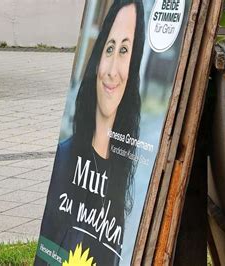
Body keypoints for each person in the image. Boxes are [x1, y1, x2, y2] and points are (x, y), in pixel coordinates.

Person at [36, 0, 145, 264]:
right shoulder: (66, 161)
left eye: (124, 50)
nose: (111, 72)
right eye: (109, 48)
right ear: (97, 59)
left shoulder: (123, 166)